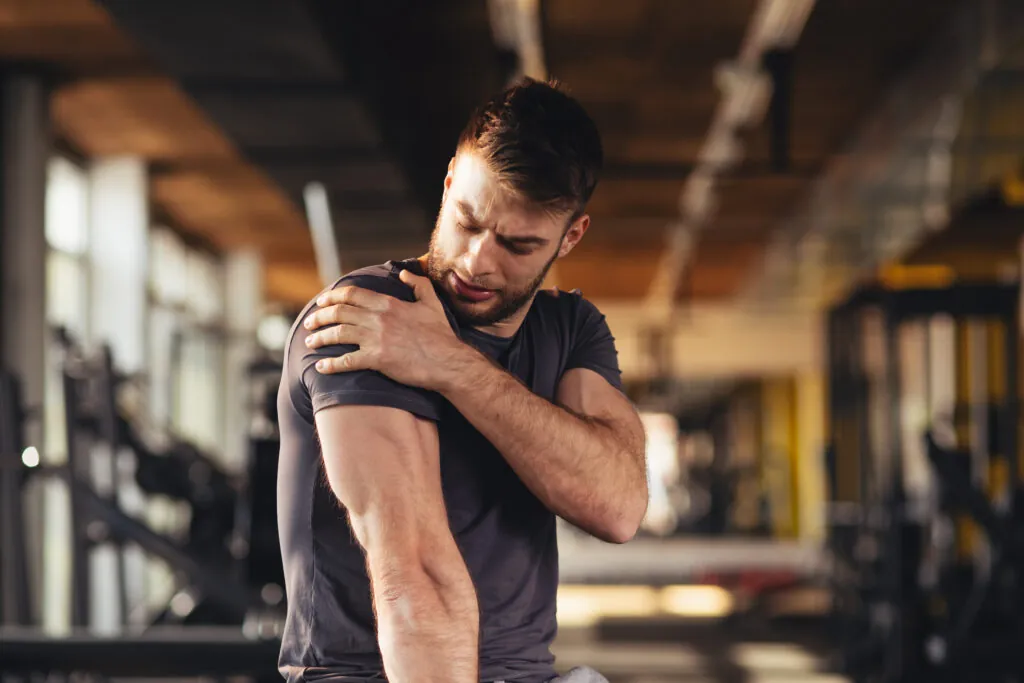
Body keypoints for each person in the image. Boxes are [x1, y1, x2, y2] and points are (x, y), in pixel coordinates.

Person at [275, 77, 648, 683]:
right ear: (449, 183)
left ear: (570, 237)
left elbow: (619, 506)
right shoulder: (368, 315)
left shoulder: (569, 328)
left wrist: (450, 365)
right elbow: (412, 572)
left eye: (518, 245)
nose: (478, 260)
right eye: (468, 221)